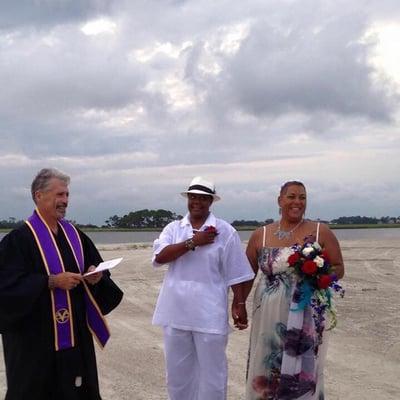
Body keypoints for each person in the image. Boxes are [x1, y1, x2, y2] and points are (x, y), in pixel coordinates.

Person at [0, 168, 123, 400]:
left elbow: (95, 268)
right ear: (39, 195)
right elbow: (6, 287)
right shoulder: (18, 240)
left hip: (74, 336)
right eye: (59, 195)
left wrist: (95, 276)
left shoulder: (75, 236)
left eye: (66, 195)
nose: (65, 201)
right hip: (34, 341)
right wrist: (51, 281)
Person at [152, 176, 255, 400]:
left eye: (202, 198)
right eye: (192, 197)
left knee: (213, 376)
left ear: (211, 201)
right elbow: (160, 257)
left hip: (209, 314)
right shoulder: (173, 228)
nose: (196, 202)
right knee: (178, 376)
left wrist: (239, 303)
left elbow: (237, 272)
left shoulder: (225, 231)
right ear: (187, 199)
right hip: (175, 312)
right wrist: (193, 242)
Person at [243, 181, 345, 400]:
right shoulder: (260, 234)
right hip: (267, 313)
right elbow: (247, 274)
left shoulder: (320, 231)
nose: (297, 202)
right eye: (291, 197)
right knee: (266, 360)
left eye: (302, 197)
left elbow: (339, 268)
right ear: (280, 200)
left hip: (306, 311)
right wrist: (238, 304)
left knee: (303, 365)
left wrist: (319, 276)